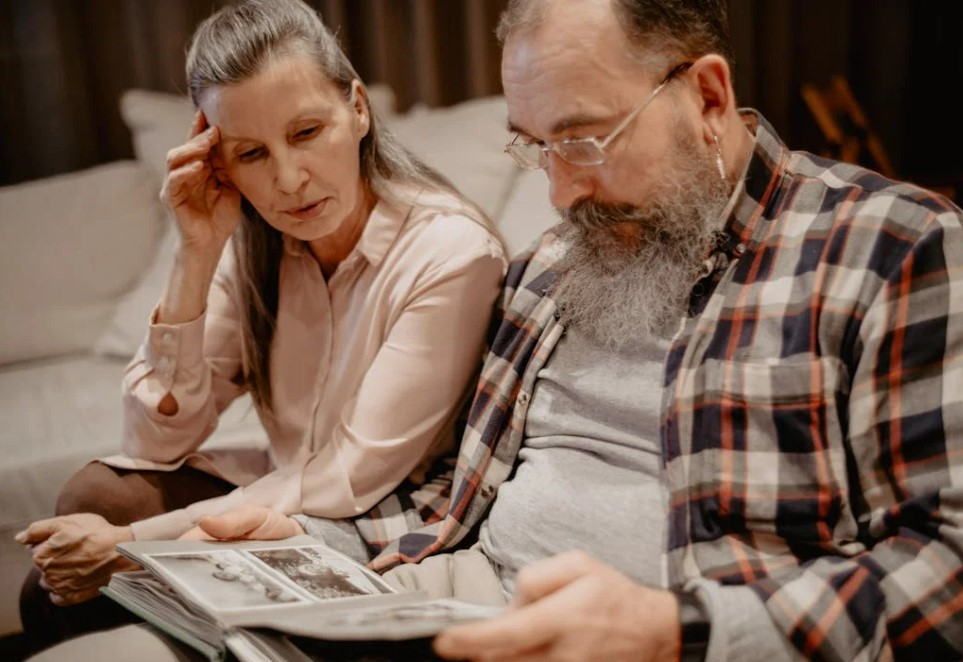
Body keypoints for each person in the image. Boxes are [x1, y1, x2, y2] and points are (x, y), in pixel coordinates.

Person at [31, 0, 963, 660]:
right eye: (533, 146)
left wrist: (675, 632)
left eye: (583, 139)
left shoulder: (890, 250)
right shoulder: (557, 265)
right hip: (446, 600)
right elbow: (444, 498)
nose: (555, 193)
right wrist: (273, 535)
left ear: (708, 97)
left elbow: (944, 564)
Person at [15, 0, 505, 653]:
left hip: (390, 511)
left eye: (305, 132)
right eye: (251, 154)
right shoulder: (258, 245)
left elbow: (350, 474)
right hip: (294, 486)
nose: (288, 180)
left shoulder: (450, 253)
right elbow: (154, 441)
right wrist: (194, 252)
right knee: (93, 502)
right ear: (220, 161)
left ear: (356, 108)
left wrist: (132, 545)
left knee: (75, 569)